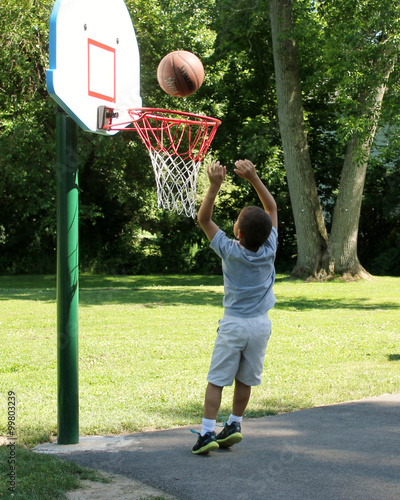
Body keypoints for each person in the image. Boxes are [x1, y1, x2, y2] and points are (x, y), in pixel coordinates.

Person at [192, 159, 278, 455]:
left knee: (217, 379)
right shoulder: (270, 248)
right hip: (260, 326)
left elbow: (204, 220)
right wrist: (254, 178)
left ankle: (206, 433)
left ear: (237, 233)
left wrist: (214, 186)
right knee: (245, 378)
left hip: (234, 325)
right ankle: (234, 423)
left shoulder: (229, 250)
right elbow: (272, 209)